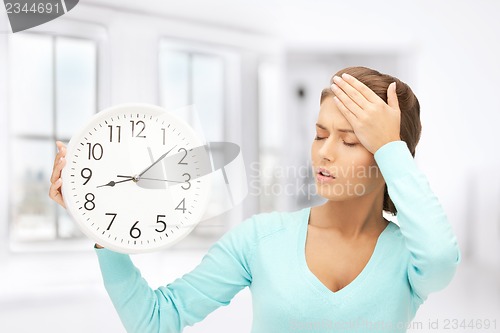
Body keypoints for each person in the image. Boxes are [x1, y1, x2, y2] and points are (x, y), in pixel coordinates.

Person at [49, 66, 461, 333]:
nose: (324, 152)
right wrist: (99, 224)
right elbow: (154, 320)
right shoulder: (261, 239)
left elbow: (443, 257)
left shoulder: (411, 256)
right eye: (319, 134)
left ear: (392, 156)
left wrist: (391, 150)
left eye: (351, 140)